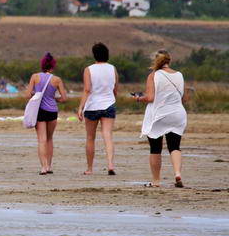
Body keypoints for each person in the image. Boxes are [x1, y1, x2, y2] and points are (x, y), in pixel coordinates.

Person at [133, 50, 191, 188]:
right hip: (177, 114)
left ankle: (156, 181)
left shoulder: (153, 75)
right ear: (169, 60)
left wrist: (138, 98)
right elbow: (184, 98)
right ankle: (177, 173)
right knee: (175, 146)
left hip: (159, 115)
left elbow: (150, 98)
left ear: (156, 61)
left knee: (155, 148)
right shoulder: (179, 75)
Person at [77, 42, 119, 175]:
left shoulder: (89, 69)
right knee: (108, 135)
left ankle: (90, 169)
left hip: (92, 106)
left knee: (90, 138)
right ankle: (110, 165)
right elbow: (115, 89)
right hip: (108, 104)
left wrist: (80, 107)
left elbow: (87, 89)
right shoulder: (113, 69)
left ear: (94, 55)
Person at [23, 53, 68, 175]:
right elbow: (64, 98)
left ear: (42, 65)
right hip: (52, 111)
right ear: (53, 66)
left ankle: (43, 167)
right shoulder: (57, 79)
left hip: (40, 111)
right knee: (49, 139)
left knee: (41, 140)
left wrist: (35, 94)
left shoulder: (35, 77)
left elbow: (27, 95)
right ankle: (49, 166)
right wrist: (54, 99)